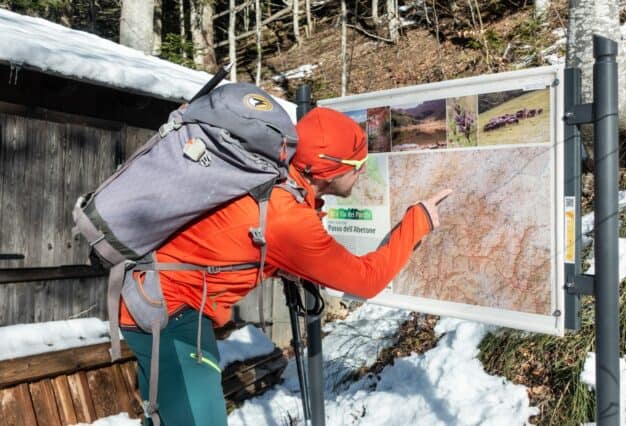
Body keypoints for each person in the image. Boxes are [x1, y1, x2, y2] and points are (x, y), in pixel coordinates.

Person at [120, 107, 452, 426]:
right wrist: (417, 222)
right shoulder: (290, 219)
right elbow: (365, 281)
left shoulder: (276, 178)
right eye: (357, 163)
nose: (363, 170)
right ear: (328, 169)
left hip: (146, 297)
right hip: (171, 316)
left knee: (165, 416)